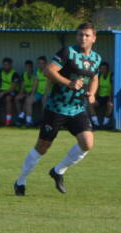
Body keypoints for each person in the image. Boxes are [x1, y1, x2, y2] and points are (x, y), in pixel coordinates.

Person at [14, 23, 102, 196]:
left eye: (86, 35)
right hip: (56, 108)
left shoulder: (96, 58)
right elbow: (49, 71)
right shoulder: (67, 52)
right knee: (42, 147)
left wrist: (92, 94)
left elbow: (94, 78)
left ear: (94, 38)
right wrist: (69, 83)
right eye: (80, 35)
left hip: (77, 109)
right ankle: (20, 181)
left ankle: (58, 171)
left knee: (87, 143)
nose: (83, 38)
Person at [0, 57, 19, 126]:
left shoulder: (15, 74)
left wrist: (3, 93)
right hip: (1, 91)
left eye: (7, 65)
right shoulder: (0, 72)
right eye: (4, 65)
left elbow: (13, 88)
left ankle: (8, 120)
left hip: (11, 92)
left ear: (10, 65)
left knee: (8, 99)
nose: (6, 66)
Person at [14, 59, 37, 127]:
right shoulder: (24, 75)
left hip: (32, 93)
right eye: (26, 67)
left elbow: (35, 87)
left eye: (29, 67)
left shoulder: (35, 74)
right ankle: (20, 115)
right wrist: (21, 93)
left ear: (32, 67)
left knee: (27, 99)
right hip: (26, 93)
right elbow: (23, 87)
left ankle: (22, 116)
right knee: (17, 98)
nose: (28, 69)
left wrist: (29, 93)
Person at [91, 61, 113, 129]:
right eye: (101, 69)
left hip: (108, 97)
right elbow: (97, 88)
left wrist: (110, 99)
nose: (103, 70)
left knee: (110, 105)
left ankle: (105, 124)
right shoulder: (99, 76)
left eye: (104, 68)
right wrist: (94, 98)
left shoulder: (111, 76)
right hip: (100, 97)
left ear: (107, 69)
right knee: (91, 103)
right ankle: (95, 123)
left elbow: (113, 88)